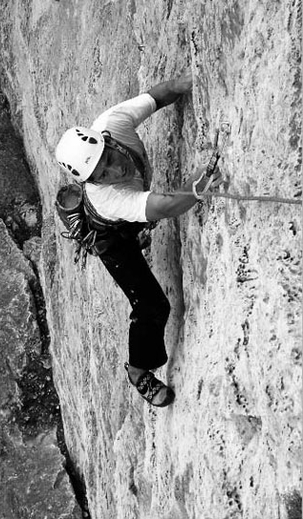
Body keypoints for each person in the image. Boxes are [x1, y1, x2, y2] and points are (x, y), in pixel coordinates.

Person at [55, 70, 222, 407]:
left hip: (128, 216)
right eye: (102, 175)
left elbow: (159, 96)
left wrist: (194, 79)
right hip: (110, 237)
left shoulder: (113, 122)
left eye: (109, 160)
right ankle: (137, 370)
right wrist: (198, 187)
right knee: (151, 306)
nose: (114, 171)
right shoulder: (106, 197)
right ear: (94, 182)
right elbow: (162, 205)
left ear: (106, 141)